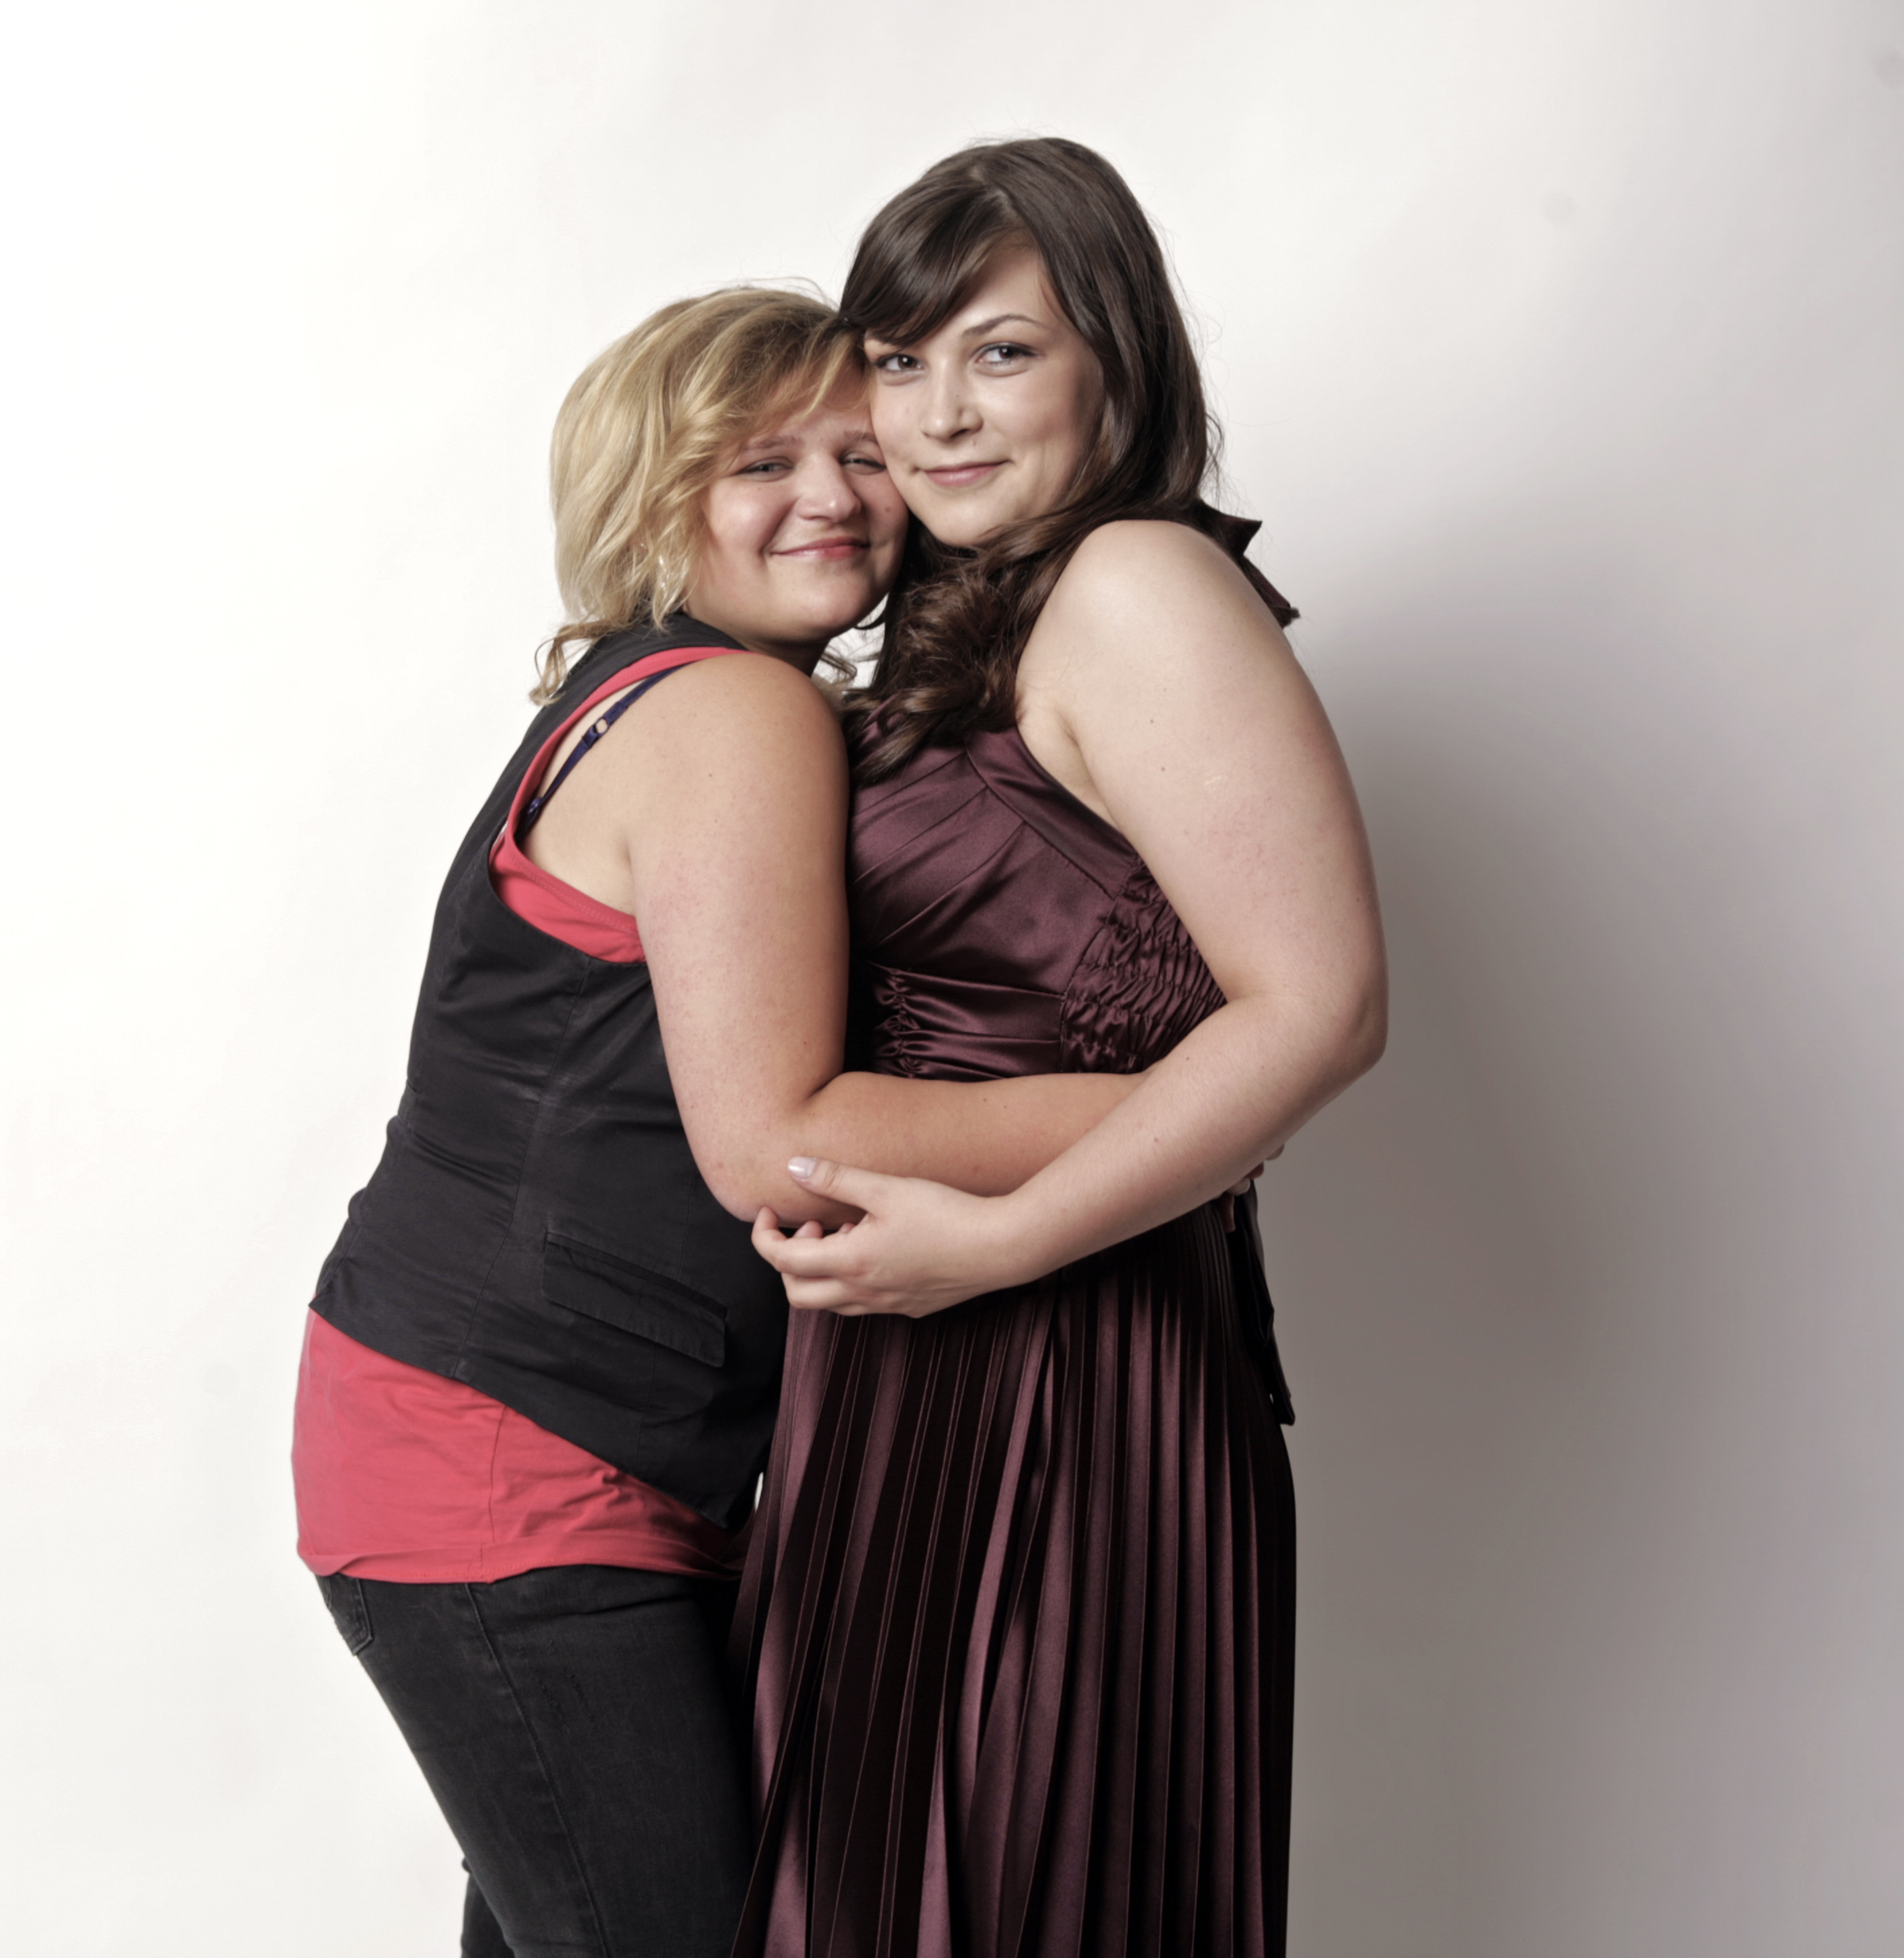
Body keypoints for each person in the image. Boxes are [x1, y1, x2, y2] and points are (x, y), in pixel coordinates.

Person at [294, 287, 1145, 1958]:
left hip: (535, 1433)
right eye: (762, 463)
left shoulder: (665, 693)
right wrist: (1172, 1109)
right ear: (651, 498)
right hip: (509, 1455)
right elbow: (778, 1138)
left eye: (857, 453)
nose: (831, 495)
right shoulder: (730, 708)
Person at [730, 141, 1388, 1958]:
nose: (937, 414)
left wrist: (1001, 1245)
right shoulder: (971, 608)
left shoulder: (1135, 584)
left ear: (1116, 359)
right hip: (906, 1345)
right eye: (900, 359)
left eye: (1001, 354)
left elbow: (1322, 1003)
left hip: (1070, 1358)